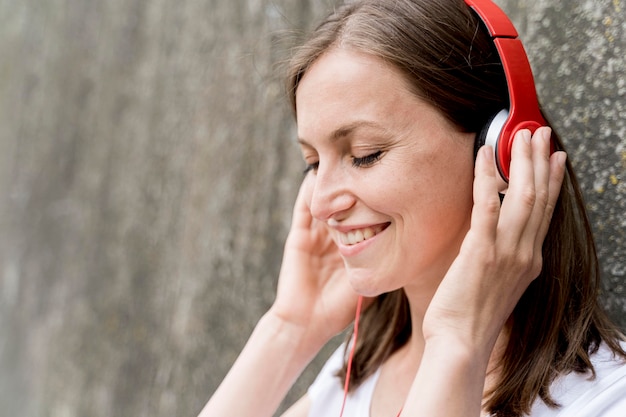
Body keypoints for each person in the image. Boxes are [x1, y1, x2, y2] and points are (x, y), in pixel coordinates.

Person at [199, 0, 626, 416]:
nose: (319, 203)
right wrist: (288, 329)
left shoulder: (608, 400)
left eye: (365, 154)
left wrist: (459, 342)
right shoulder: (356, 371)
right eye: (312, 163)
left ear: (502, 149)